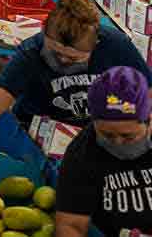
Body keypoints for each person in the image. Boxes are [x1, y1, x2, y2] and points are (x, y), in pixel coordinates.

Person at [0, 0, 150, 172]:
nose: (61, 60)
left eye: (72, 58)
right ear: (43, 32)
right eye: (54, 51)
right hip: (38, 138)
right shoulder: (31, 53)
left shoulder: (115, 46)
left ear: (96, 43)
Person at [54, 66, 152, 236]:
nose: (118, 143)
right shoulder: (81, 154)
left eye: (128, 136)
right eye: (107, 135)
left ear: (148, 119)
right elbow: (71, 225)